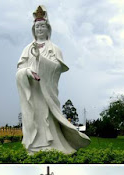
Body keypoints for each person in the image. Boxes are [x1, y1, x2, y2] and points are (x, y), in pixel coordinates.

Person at [16, 6, 90, 154]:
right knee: (35, 117)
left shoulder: (54, 49)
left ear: (48, 28)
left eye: (42, 26)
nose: (40, 29)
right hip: (33, 92)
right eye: (37, 26)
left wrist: (41, 61)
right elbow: (19, 71)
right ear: (33, 29)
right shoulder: (27, 49)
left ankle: (52, 144)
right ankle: (34, 145)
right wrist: (27, 72)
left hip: (47, 93)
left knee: (47, 119)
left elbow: (57, 69)